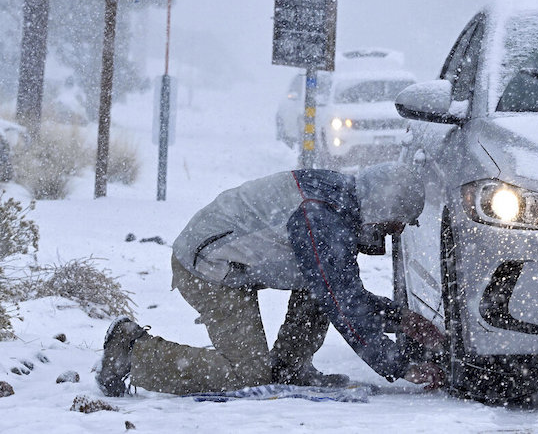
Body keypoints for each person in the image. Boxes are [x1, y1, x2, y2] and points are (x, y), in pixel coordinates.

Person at [96, 163, 445, 397]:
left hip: (235, 263)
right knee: (247, 376)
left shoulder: (343, 200)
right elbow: (344, 306)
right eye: (395, 224)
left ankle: (290, 369)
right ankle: (131, 351)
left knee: (320, 289)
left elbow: (341, 292)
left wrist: (401, 320)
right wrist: (402, 366)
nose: (394, 233)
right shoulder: (322, 219)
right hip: (208, 268)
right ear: (383, 207)